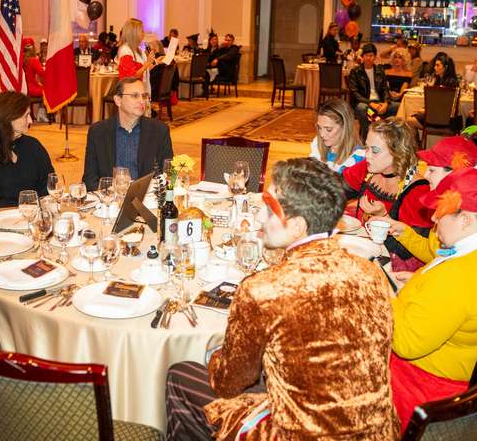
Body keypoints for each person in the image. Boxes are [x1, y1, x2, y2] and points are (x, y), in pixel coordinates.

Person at [165, 158, 398, 441]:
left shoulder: (264, 289)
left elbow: (228, 383)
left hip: (299, 434)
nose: (260, 218)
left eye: (269, 207)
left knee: (180, 375)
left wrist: (214, 355)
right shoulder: (372, 273)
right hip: (378, 431)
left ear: (298, 226)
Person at [390, 167, 477, 432]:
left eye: (440, 212)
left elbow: (406, 344)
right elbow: (459, 296)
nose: (433, 218)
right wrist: (418, 282)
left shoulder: (459, 277)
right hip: (466, 366)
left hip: (426, 388)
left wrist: (384, 293)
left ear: (465, 219)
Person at [342, 118, 433, 268]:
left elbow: (406, 252)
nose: (367, 155)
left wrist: (383, 218)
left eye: (375, 150)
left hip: (394, 263)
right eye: (367, 148)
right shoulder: (370, 167)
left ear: (398, 153)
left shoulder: (417, 190)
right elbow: (337, 190)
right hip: (364, 247)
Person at [82, 77, 174, 191]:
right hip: (110, 198)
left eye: (144, 96)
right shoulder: (98, 131)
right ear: (118, 100)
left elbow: (169, 174)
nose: (142, 101)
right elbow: (89, 179)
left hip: (147, 198)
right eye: (135, 96)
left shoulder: (159, 131)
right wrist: (106, 194)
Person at [0, 91, 54, 218]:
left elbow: (48, 185)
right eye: (26, 116)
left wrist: (34, 210)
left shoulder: (33, 145)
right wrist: (21, 209)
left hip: (35, 217)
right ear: (9, 118)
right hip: (1, 219)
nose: (30, 120)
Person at [347, 43, 396, 138]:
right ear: (362, 57)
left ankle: (388, 135)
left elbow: (385, 88)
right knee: (363, 109)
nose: (369, 58)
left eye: (371, 55)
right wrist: (370, 103)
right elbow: (355, 93)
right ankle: (368, 136)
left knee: (397, 106)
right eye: (366, 55)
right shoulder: (356, 71)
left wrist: (386, 103)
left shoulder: (379, 70)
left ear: (375, 57)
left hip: (379, 102)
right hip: (363, 103)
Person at [308, 99, 365, 173]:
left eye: (328, 129)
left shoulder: (358, 157)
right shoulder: (317, 144)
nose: (322, 134)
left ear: (345, 127)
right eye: (319, 128)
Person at [117, 18, 160, 101]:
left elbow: (145, 70)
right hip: (131, 94)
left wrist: (157, 62)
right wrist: (146, 64)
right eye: (142, 31)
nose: (144, 34)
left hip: (140, 90)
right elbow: (131, 76)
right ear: (134, 33)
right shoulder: (126, 51)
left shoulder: (138, 49)